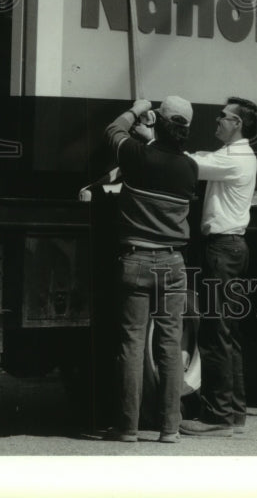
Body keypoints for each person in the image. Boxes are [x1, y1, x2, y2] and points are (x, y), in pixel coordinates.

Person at [79, 95, 198, 444]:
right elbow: (166, 157)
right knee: (170, 345)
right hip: (173, 264)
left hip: (136, 260)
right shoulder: (189, 168)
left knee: (131, 345)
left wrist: (137, 108)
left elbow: (112, 130)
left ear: (157, 122)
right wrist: (152, 134)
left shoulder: (135, 155)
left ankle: (128, 428)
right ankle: (170, 428)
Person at [179, 96, 257, 437]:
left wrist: (155, 143)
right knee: (228, 334)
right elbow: (201, 159)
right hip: (232, 248)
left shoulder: (234, 157)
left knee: (214, 334)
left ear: (237, 124)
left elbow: (193, 164)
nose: (217, 120)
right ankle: (233, 412)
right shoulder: (236, 155)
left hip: (222, 249)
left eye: (224, 117)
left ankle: (216, 416)